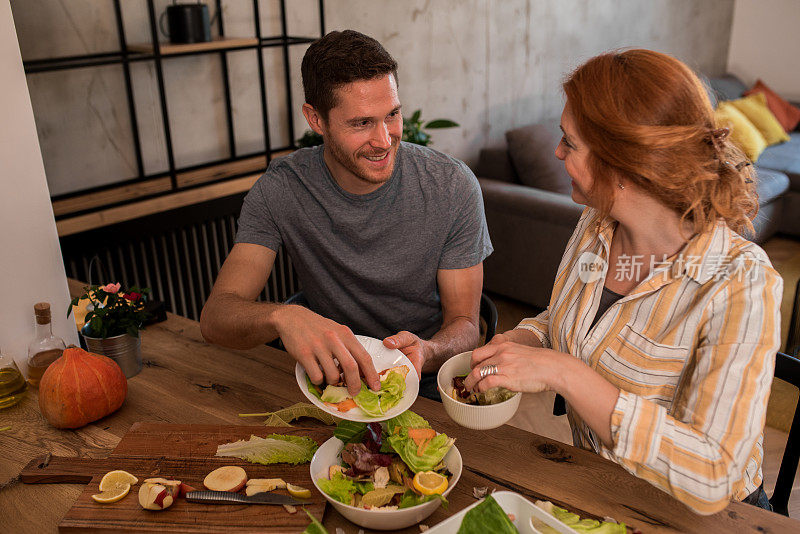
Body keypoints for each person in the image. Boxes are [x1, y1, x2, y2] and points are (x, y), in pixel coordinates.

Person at [464, 49, 782, 514]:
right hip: (603, 493)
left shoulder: (741, 283)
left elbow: (713, 474)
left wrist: (564, 372)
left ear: (624, 162)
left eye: (569, 142)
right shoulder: (595, 226)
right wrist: (523, 342)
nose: (557, 152)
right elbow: (566, 320)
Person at [200, 30, 492, 399]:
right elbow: (215, 320)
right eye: (361, 123)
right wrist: (281, 316)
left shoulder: (451, 185)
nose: (384, 140)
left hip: (426, 379)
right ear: (315, 119)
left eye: (392, 115)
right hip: (330, 380)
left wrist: (429, 350)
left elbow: (465, 326)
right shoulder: (281, 190)